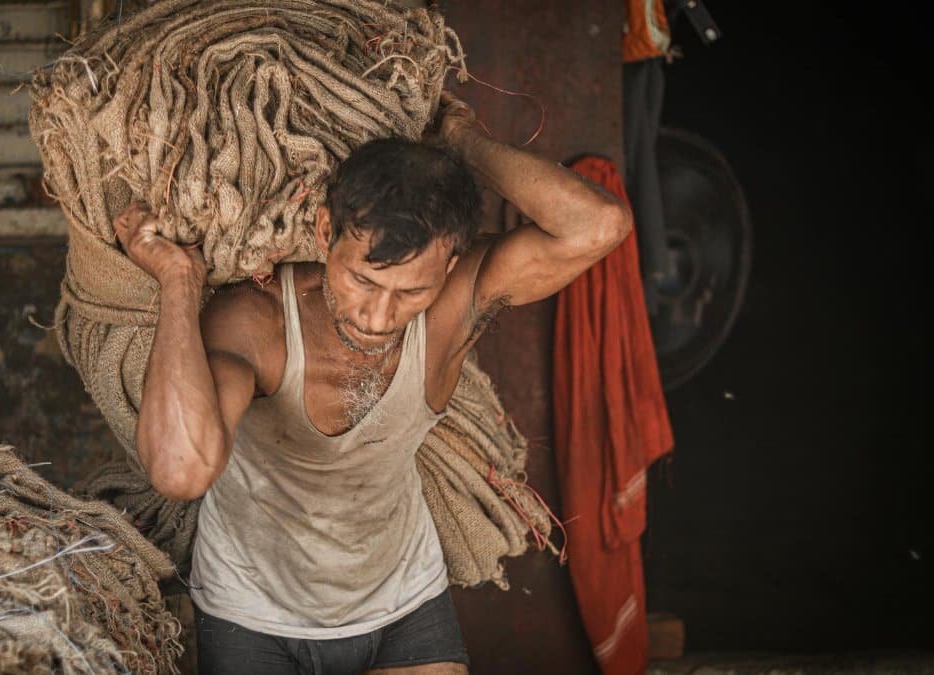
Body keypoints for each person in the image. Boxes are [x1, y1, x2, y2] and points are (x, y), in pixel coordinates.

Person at [113, 94, 631, 675]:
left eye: (411, 292)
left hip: (403, 603)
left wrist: (459, 142)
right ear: (325, 229)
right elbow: (181, 470)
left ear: (452, 265)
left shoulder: (454, 309)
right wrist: (180, 282)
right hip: (251, 612)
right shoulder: (258, 322)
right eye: (363, 280)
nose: (379, 316)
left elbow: (600, 225)